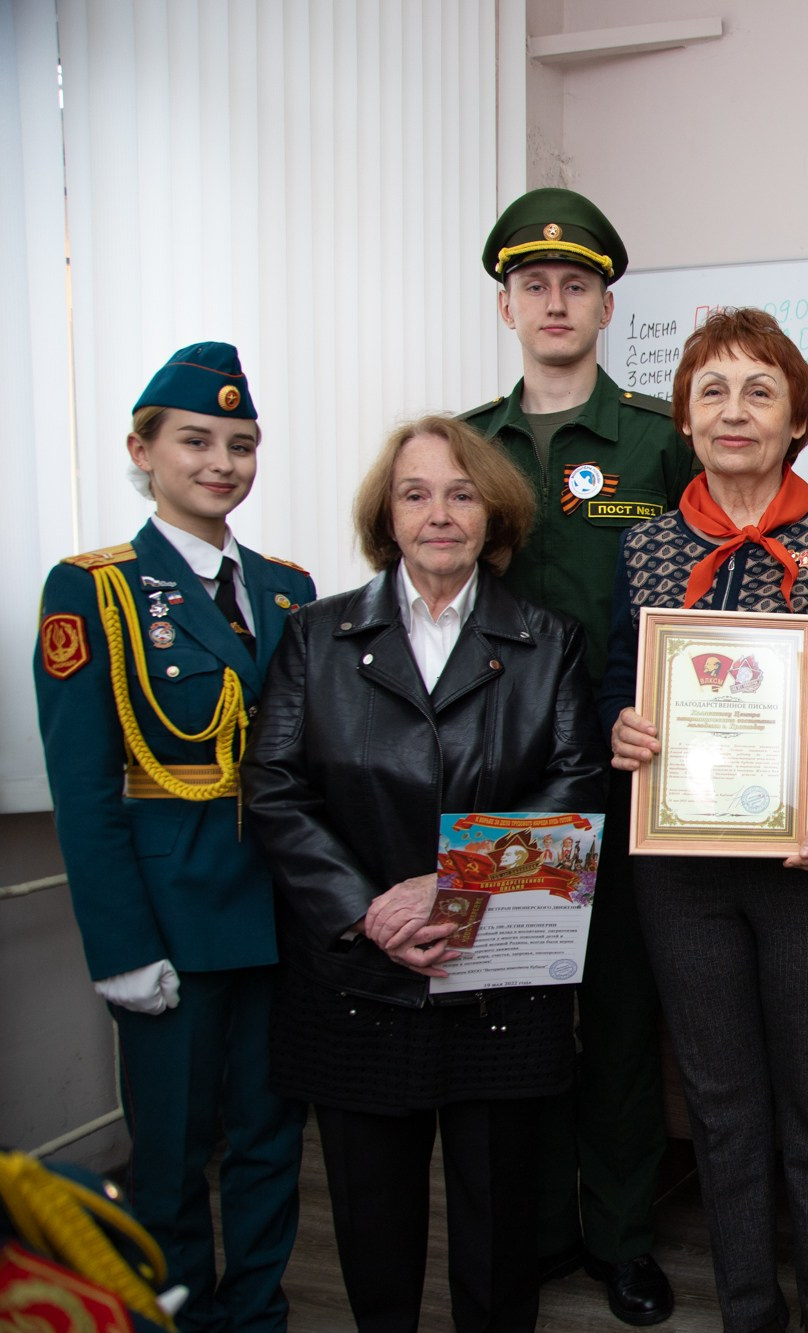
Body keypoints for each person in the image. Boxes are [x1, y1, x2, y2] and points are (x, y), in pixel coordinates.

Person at [242, 416, 606, 1333]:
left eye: (461, 491)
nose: (439, 513)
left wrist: (453, 886)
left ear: (493, 512)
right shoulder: (315, 636)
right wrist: (369, 909)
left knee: (499, 1230)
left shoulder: (548, 638)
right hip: (359, 975)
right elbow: (275, 790)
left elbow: (575, 787)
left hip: (498, 976)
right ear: (387, 515)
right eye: (416, 493)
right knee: (373, 1225)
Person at [603, 306, 808, 1333]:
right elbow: (615, 686)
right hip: (682, 877)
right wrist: (622, 730)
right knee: (721, 1113)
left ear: (796, 420)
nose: (734, 410)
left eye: (759, 390)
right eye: (712, 390)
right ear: (685, 421)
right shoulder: (644, 549)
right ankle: (750, 1314)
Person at [33, 342, 313, 1333]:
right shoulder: (93, 590)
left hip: (278, 916)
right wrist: (120, 949)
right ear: (141, 450)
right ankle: (180, 1318)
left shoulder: (287, 587)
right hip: (173, 920)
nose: (221, 463)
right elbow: (84, 794)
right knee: (170, 1154)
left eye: (241, 443)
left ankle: (259, 1312)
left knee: (272, 1142)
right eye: (195, 440)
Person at [459, 187, 699, 1323]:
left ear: (606, 302)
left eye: (576, 284)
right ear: (506, 306)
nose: (554, 302)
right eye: (533, 285)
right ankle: (534, 1228)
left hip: (628, 779)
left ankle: (619, 1236)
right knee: (511, 1011)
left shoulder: (658, 440)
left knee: (617, 1018)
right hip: (501, 789)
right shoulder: (466, 447)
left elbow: (703, 592)